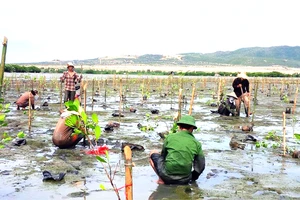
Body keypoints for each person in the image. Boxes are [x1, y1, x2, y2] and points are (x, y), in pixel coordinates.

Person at [149, 115, 205, 185]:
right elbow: (201, 165)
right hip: (185, 180)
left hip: (166, 176)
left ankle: (161, 179)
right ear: (192, 128)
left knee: (153, 153)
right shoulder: (197, 143)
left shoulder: (170, 137)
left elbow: (163, 156)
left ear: (179, 127)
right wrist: (192, 178)